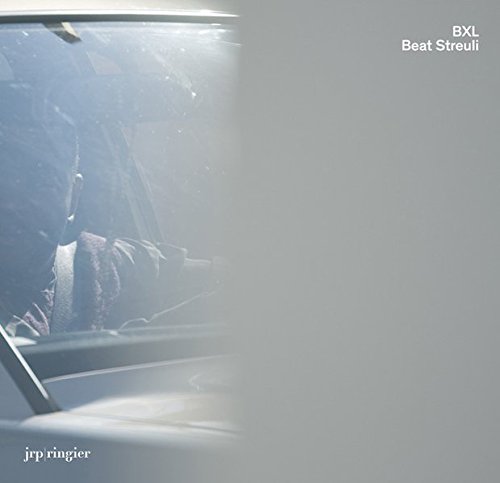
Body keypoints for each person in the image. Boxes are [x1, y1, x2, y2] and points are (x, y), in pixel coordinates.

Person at [0, 126, 222, 338]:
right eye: (3, 183)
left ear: (74, 196)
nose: (15, 204)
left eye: (43, 186)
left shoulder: (94, 261)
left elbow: (226, 281)